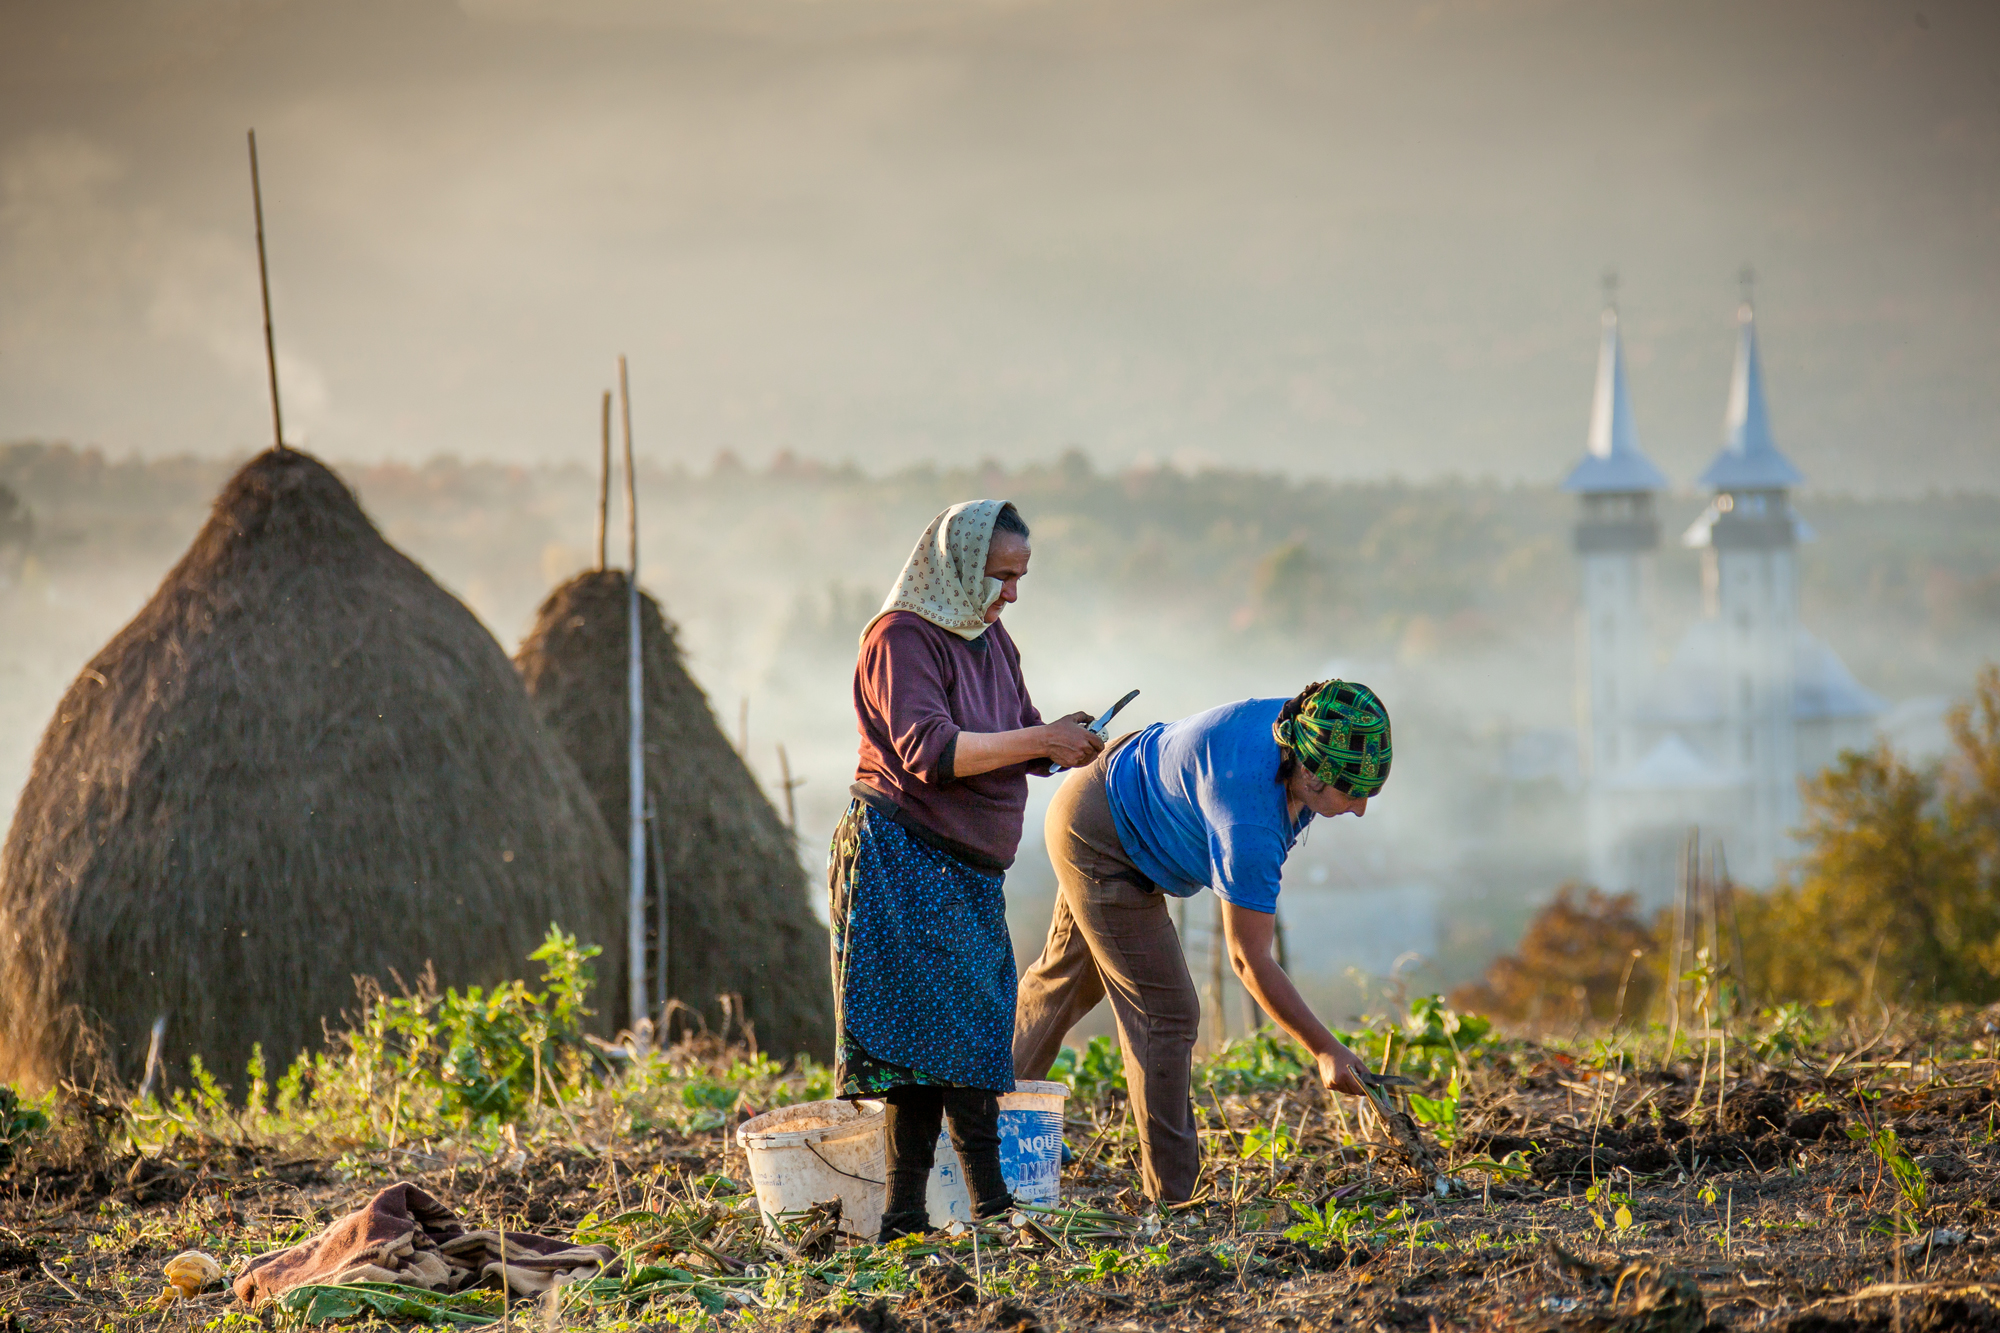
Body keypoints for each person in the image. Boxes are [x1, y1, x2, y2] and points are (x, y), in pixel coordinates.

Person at [829, 499, 1104, 1241]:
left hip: (968, 868)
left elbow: (1015, 729)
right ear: (956, 567)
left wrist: (1062, 739)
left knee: (974, 1032)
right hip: (905, 853)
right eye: (1001, 575)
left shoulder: (990, 639)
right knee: (925, 1047)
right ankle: (937, 1211)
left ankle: (959, 1210)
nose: (1011, 593)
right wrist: (1036, 737)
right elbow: (934, 750)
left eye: (1019, 578)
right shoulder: (901, 639)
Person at [1012, 680, 1392, 1203]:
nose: (1360, 810)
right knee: (1166, 1013)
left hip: (1113, 793)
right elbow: (1248, 957)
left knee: (1064, 985)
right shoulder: (1251, 821)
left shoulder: (1301, 724)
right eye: (1352, 795)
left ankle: (974, 1120)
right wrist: (1325, 1049)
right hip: (1103, 838)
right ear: (1310, 772)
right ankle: (1174, 1202)